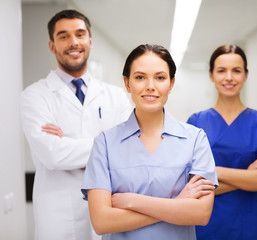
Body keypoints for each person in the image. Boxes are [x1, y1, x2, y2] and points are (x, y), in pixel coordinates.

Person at [81, 44, 218, 240]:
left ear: (171, 84)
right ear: (127, 84)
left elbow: (201, 214)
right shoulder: (105, 143)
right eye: (140, 77)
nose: (150, 86)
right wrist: (177, 203)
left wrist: (132, 201)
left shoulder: (195, 139)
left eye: (160, 77)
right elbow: (102, 222)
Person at [20, 9, 132, 240]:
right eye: (63, 36)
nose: (73, 42)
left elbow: (129, 149)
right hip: (59, 213)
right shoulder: (34, 96)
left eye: (80, 34)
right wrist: (108, 146)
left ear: (90, 40)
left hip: (109, 206)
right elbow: (52, 155)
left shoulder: (116, 95)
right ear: (52, 46)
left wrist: (68, 145)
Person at [187, 44, 257, 240]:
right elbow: (192, 188)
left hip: (252, 226)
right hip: (208, 226)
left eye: (236, 71)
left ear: (246, 75)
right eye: (222, 71)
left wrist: (212, 172)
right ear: (211, 75)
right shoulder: (196, 122)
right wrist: (250, 176)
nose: (229, 77)